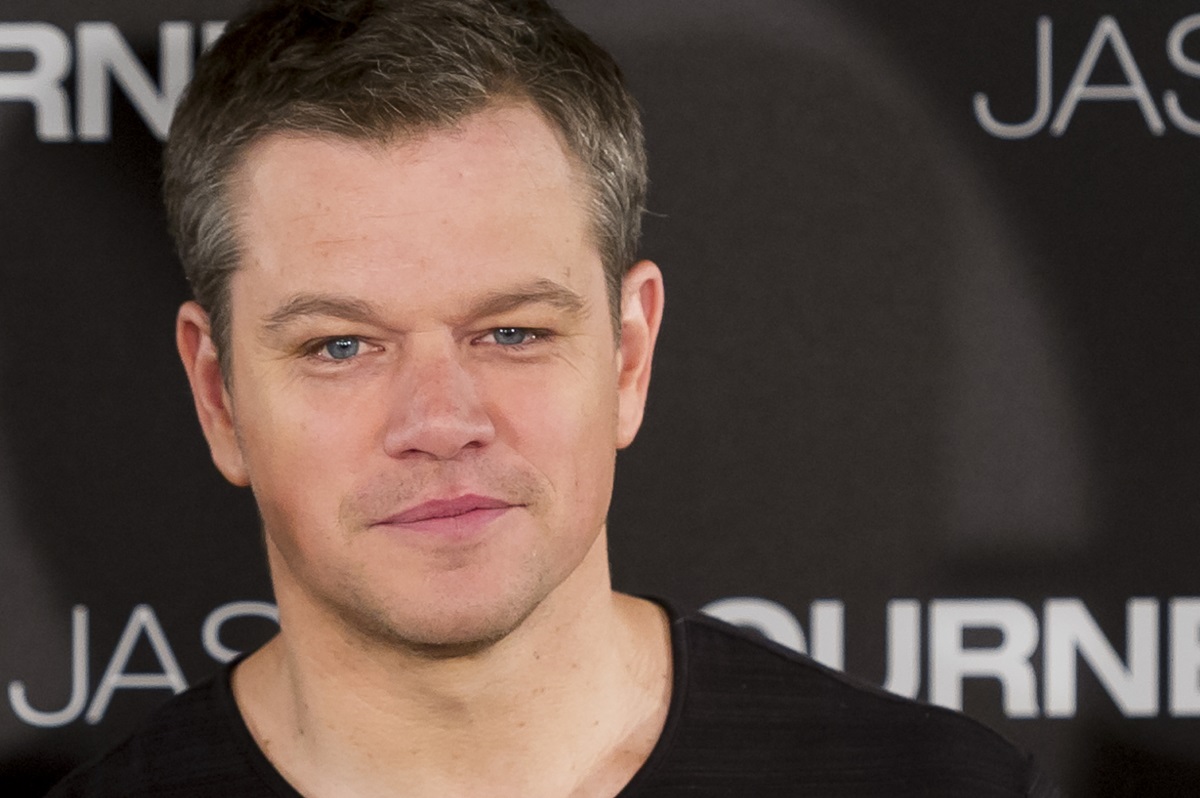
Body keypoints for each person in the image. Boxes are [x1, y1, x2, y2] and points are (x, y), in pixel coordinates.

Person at [49, 1, 1057, 795]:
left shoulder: (927, 787)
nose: (439, 422)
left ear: (626, 355)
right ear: (218, 394)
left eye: (513, 333)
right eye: (342, 345)